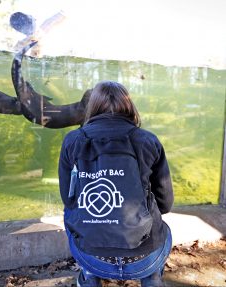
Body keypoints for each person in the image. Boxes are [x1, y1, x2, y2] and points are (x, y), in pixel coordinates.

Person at [58, 80, 174, 287]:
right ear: (129, 106)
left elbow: (68, 199)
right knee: (158, 223)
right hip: (144, 258)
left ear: (92, 106)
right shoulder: (148, 140)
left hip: (92, 258)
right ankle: (152, 279)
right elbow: (166, 204)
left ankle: (89, 277)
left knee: (70, 211)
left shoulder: (72, 141)